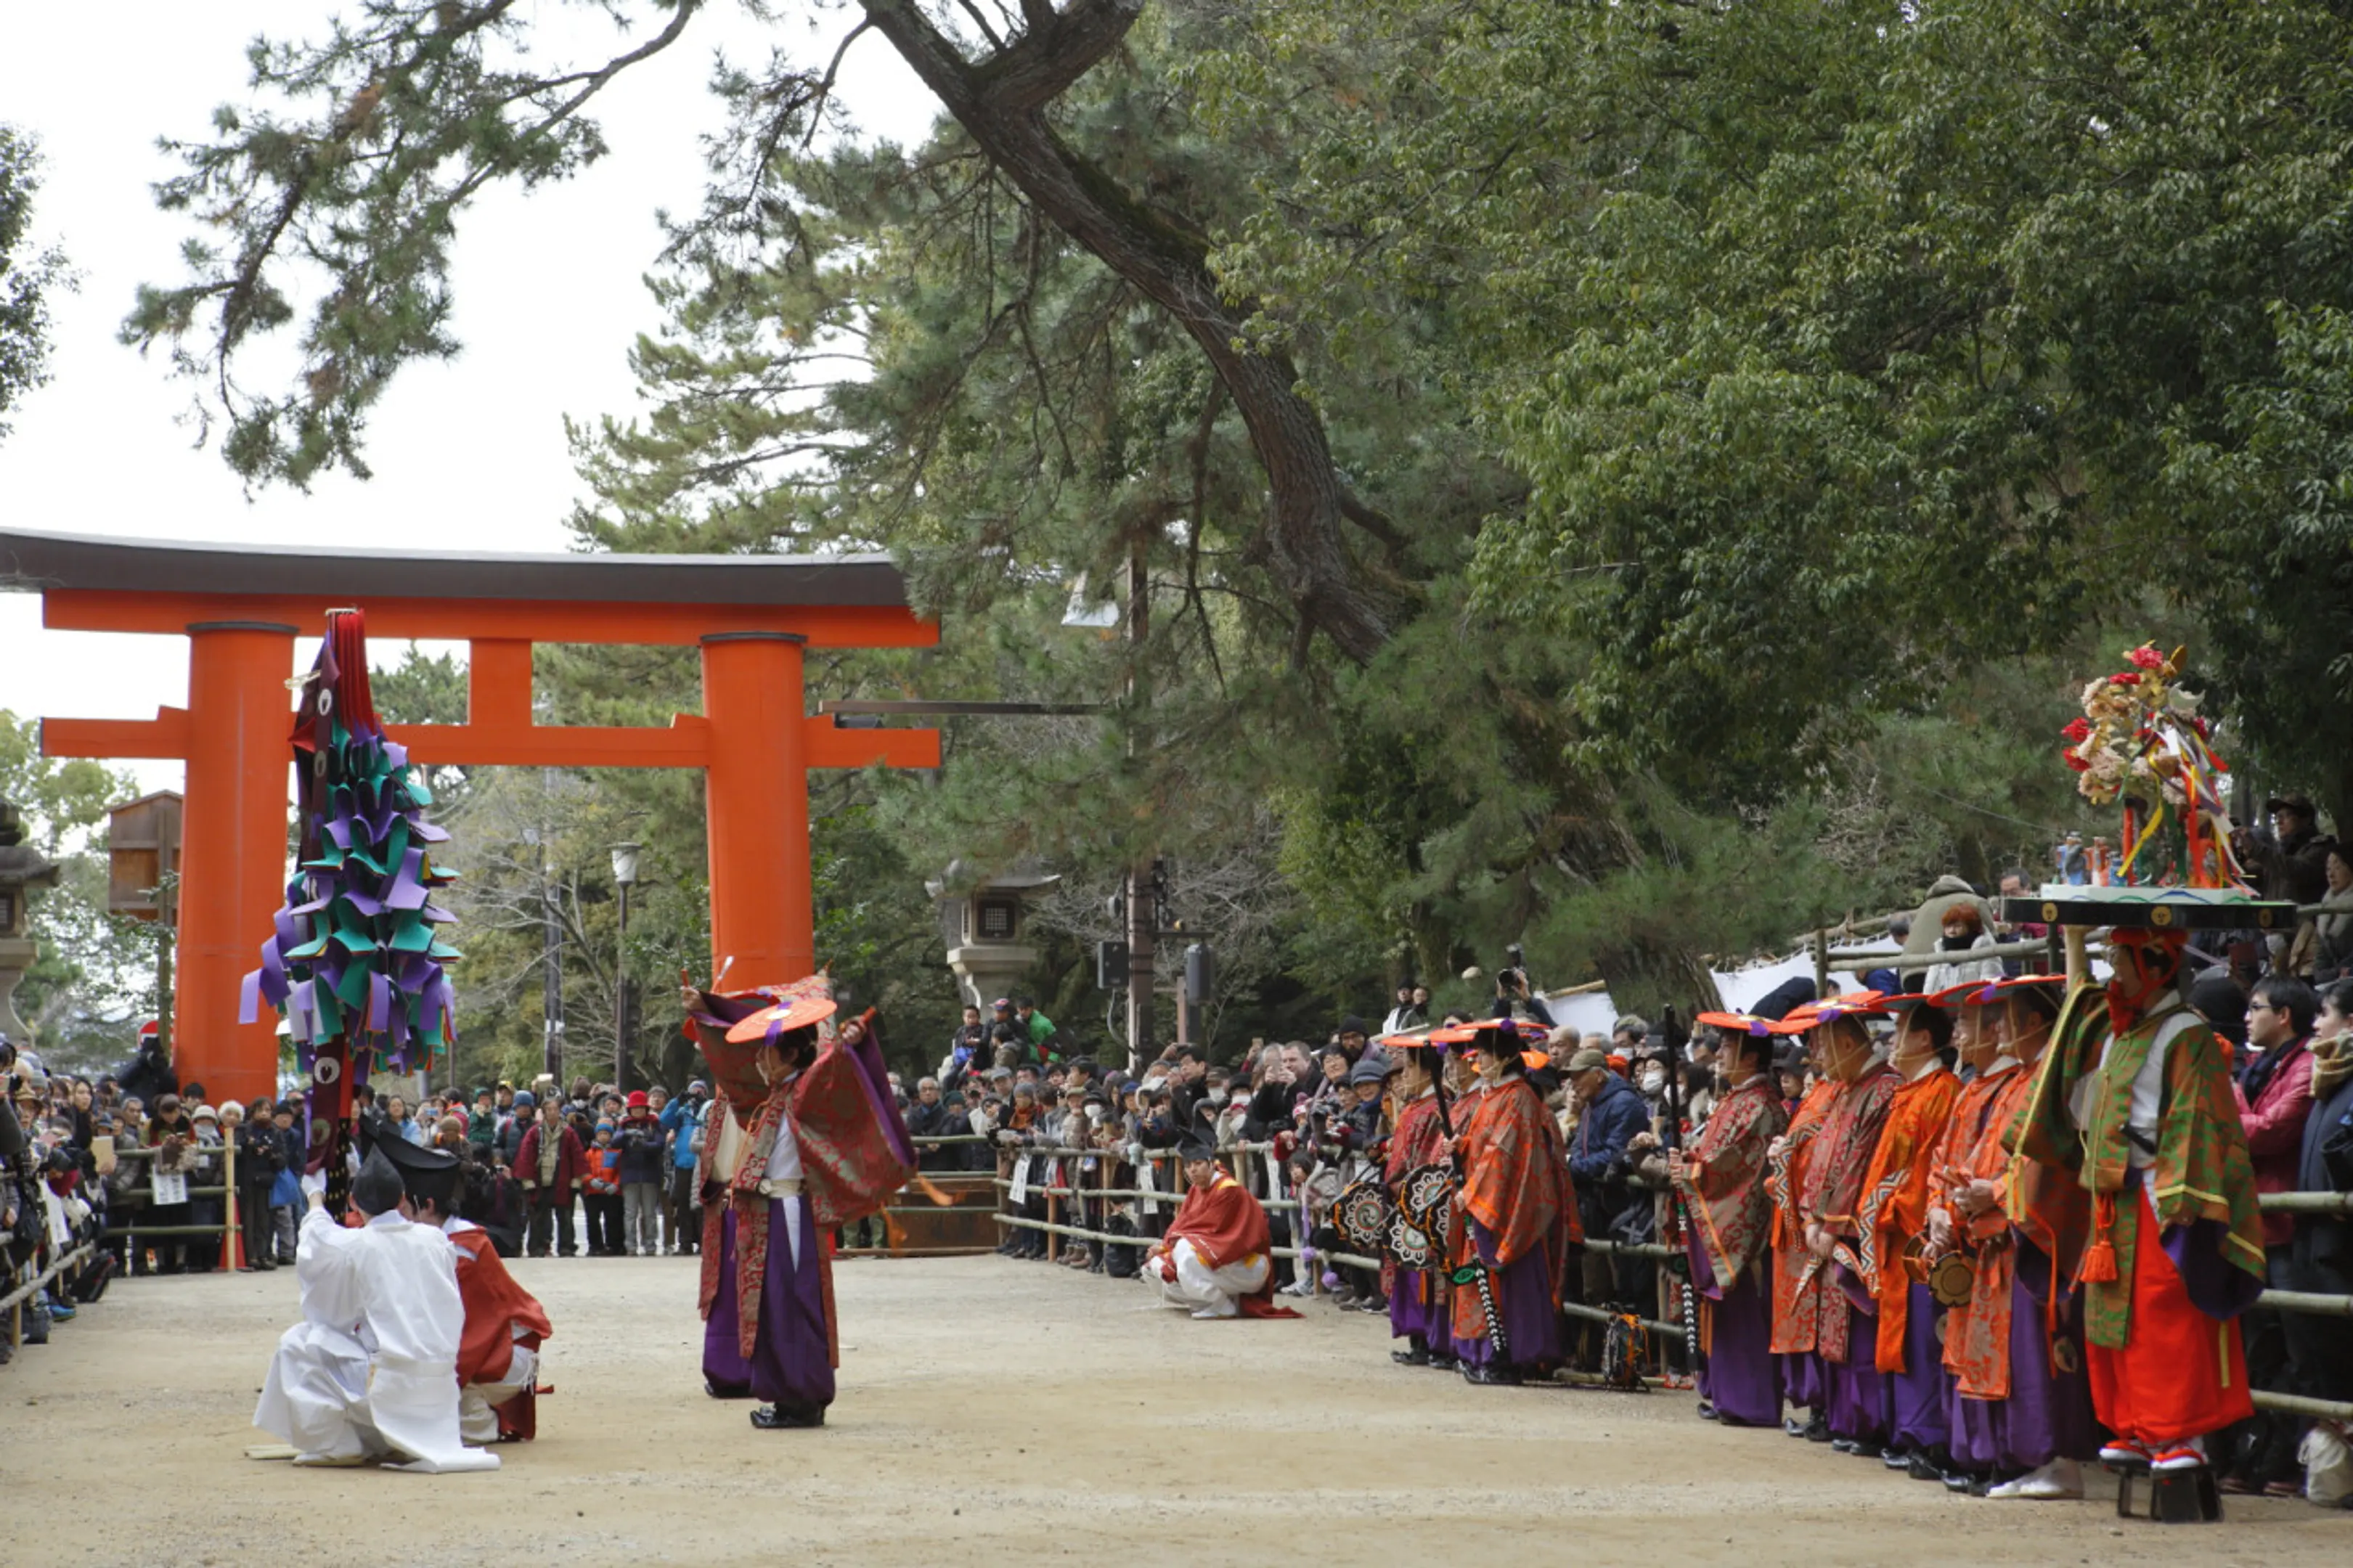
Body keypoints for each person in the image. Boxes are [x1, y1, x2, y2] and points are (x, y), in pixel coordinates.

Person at [2018, 925, 2267, 1479]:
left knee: (2166, 1317)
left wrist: (2181, 1192)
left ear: (2153, 965)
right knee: (2111, 1323)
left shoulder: (2185, 1034)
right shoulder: (2119, 1033)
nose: (2114, 972)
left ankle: (2181, 1433)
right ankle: (2130, 1424)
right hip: (2114, 1200)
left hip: (2163, 1197)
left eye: (2120, 960)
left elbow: (2195, 1118)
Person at [685, 979, 915, 1429]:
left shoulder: (806, 1088)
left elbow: (831, 1070)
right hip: (769, 1213)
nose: (758, 1060)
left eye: (767, 1052)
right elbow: (734, 1066)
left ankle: (803, 1397)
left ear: (790, 1055)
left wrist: (850, 1045)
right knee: (775, 1308)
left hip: (787, 1210)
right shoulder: (773, 1095)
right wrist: (706, 1012)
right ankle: (787, 1394)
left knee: (793, 1306)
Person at [1929, 976, 2093, 1499]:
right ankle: (2014, 1456)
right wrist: (1945, 1206)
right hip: (1990, 1230)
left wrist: (1995, 1192)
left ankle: (2053, 1459)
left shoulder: (2048, 1079)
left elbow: (2053, 1162)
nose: (1995, 1028)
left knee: (2036, 1352)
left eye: (2006, 1017)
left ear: (2033, 1021)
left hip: (2031, 1235)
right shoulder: (2020, 1079)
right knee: (2011, 1355)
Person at [253, 1146, 498, 1471]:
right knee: (360, 1349)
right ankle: (391, 1435)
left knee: (299, 1341)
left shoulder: (355, 1245)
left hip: (388, 1382)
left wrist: (315, 1197)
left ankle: (337, 1443)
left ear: (354, 1203)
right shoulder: (435, 1239)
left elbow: (318, 1249)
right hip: (440, 1387)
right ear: (402, 1200)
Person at [1777, 999, 1899, 1455]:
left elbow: (1860, 1166)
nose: (1816, 1058)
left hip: (1852, 1233)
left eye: (1822, 1047)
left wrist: (1830, 1221)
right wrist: (1810, 1214)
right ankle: (1846, 1417)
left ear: (1848, 1043)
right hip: (1826, 1228)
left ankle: (1867, 1422)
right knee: (1839, 1337)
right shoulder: (1848, 1089)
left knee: (1861, 1333)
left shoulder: (1883, 1089)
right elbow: (1824, 1160)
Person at [379, 1130, 554, 1444]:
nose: (401, 1218)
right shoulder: (444, 1241)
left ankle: (479, 1421)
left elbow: (470, 1334)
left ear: (427, 1206)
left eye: (406, 1210)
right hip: (491, 1345)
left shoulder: (463, 1251)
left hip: (502, 1351)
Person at [2220, 976, 2318, 1495]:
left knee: (2291, 1346)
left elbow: (2269, 1130)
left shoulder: (2304, 1067)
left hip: (2284, 1227)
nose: (2246, 1017)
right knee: (2255, 1348)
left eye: (2255, 1008)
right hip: (2254, 1223)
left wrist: (2227, 1102)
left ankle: (2285, 1459)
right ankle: (2255, 1455)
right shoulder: (2260, 1068)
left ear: (2283, 1015)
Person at [1854, 996, 1960, 1476]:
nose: (1892, 1041)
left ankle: (1927, 1435)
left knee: (1921, 1336)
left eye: (1901, 1032)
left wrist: (1891, 1207)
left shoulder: (1942, 1091)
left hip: (1915, 1233)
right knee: (1898, 1332)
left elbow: (1928, 1166)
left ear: (1924, 1039)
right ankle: (1901, 1428)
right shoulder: (1906, 1092)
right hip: (1890, 1231)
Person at [1671, 1016, 1791, 1428]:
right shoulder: (1737, 1100)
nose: (1719, 1054)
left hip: (1746, 1226)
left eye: (1726, 1047)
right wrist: (1689, 1161)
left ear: (1749, 1055)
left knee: (1745, 1314)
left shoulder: (1760, 1105)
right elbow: (1711, 1155)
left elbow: (1735, 1168)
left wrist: (1692, 1172)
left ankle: (1751, 1400)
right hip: (1723, 1214)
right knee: (1726, 1317)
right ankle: (1725, 1392)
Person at [1443, 1020, 1575, 1384]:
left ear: (1504, 1057)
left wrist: (1471, 1193)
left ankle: (1510, 1356)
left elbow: (1503, 1154)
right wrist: (1461, 1146)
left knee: (1506, 1283)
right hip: (1487, 1200)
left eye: (1484, 1054)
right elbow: (1485, 1145)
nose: (1478, 1062)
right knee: (1480, 1280)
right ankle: (1482, 1354)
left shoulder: (1518, 1097)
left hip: (1509, 1207)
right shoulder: (1493, 1096)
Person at [1146, 1132, 1298, 1319]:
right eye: (1188, 1166)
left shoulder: (1228, 1189)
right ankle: (1214, 1301)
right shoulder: (1196, 1189)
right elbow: (1183, 1222)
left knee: (1185, 1250)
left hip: (1247, 1263)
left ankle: (1220, 1304)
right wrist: (1164, 1247)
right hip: (1220, 1261)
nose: (1192, 1170)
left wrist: (1173, 1246)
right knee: (1154, 1267)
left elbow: (1209, 1229)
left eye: (1198, 1164)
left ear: (1211, 1163)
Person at [1381, 1039, 1457, 1368]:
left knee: (1429, 1275)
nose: (1404, 1076)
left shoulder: (1440, 1107)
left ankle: (1437, 1343)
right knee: (1408, 1274)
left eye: (1410, 1068)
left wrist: (1411, 1188)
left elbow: (1431, 1157)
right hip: (1402, 1199)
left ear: (1428, 1072)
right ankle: (1418, 1340)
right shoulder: (1413, 1108)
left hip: (1423, 1202)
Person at [514, 1099, 585, 1259]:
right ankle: (537, 1247)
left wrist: (577, 1179)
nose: (553, 1112)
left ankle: (567, 1247)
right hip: (540, 1181)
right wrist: (527, 1180)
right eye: (549, 1109)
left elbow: (577, 1156)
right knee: (538, 1217)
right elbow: (525, 1156)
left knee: (566, 1217)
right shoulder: (534, 1132)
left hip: (563, 1180)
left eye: (555, 1109)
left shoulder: (569, 1133)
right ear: (544, 1112)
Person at [616, 1092, 666, 1258]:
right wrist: (627, 1135)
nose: (638, 1111)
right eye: (634, 1108)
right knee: (630, 1213)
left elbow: (660, 1144)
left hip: (649, 1174)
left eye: (640, 1108)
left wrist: (643, 1144)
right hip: (630, 1174)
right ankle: (630, 1246)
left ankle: (650, 1245)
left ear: (646, 1108)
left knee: (649, 1213)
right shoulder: (624, 1125)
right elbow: (614, 1142)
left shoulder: (654, 1124)